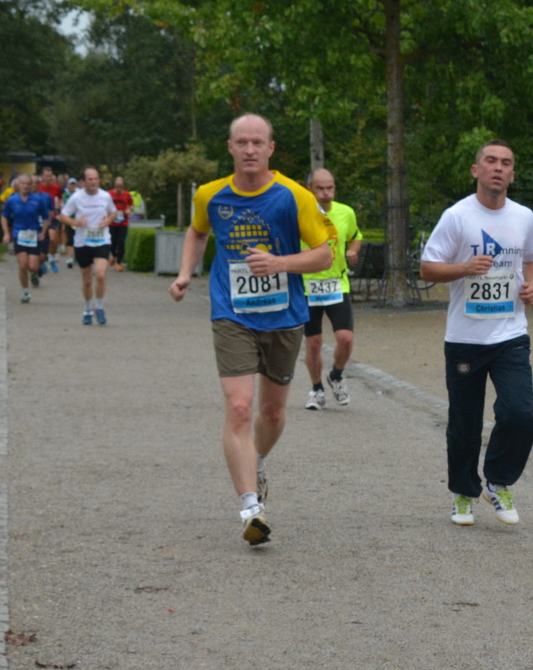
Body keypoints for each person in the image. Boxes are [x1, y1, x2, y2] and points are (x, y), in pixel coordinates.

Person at [171, 114, 334, 546]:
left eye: (256, 142)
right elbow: (197, 232)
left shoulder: (292, 197)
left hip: (283, 315)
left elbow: (323, 256)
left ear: (270, 149)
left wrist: (279, 263)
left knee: (273, 413)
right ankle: (250, 508)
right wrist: (186, 272)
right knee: (240, 407)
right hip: (232, 313)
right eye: (241, 142)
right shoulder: (211, 195)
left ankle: (256, 460)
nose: (249, 150)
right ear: (229, 147)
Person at [419, 140, 533, 527]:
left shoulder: (523, 216)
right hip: (465, 338)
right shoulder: (457, 216)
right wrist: (464, 268)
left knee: (520, 413)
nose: (498, 168)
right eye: (490, 161)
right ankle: (462, 493)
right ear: (476, 170)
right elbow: (427, 267)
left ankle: (497, 480)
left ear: (512, 174)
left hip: (510, 334)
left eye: (506, 163)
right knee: (464, 422)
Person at [300, 167, 364, 410]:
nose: (326, 193)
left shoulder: (345, 212)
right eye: (320, 189)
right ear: (310, 189)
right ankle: (316, 390)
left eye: (330, 188)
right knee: (314, 343)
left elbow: (356, 235)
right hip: (308, 287)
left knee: (345, 339)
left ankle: (336, 375)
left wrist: (353, 251)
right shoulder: (300, 214)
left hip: (337, 285)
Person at [61, 167, 118, 325]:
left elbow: (114, 212)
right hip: (83, 241)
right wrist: (75, 222)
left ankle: (99, 308)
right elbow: (63, 215)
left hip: (101, 240)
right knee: (87, 280)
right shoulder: (76, 197)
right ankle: (87, 309)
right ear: (84, 181)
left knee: (100, 275)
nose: (94, 182)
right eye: (90, 179)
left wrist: (108, 221)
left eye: (96, 179)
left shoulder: (105, 196)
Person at [1, 173, 51, 303]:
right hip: (19, 235)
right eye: (23, 184)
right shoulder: (12, 200)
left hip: (34, 235)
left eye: (28, 184)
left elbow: (46, 217)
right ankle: (25, 292)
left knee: (33, 266)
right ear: (18, 185)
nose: (26, 186)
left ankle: (34, 274)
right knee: (23, 265)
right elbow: (4, 216)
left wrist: (43, 233)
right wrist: (7, 233)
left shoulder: (38, 200)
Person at [38, 169, 65, 272]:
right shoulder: (38, 187)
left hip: (52, 216)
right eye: (46, 176)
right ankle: (43, 259)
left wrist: (57, 206)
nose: (48, 178)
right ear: (42, 176)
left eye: (50, 176)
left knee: (53, 239)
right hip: (40, 218)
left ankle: (52, 258)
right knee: (42, 238)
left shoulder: (56, 188)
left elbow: (61, 198)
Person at [108, 174, 135, 271]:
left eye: (120, 186)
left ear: (123, 186)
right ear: (114, 185)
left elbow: (132, 205)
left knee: (121, 242)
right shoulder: (109, 193)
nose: (119, 187)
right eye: (117, 185)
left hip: (123, 222)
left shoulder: (127, 194)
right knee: (112, 242)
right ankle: (113, 256)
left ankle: (118, 263)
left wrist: (129, 210)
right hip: (112, 222)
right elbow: (104, 204)